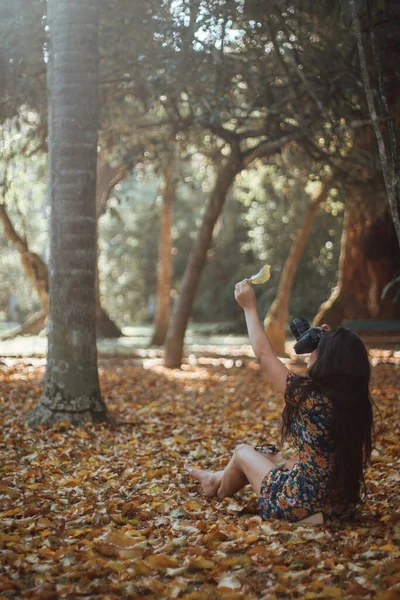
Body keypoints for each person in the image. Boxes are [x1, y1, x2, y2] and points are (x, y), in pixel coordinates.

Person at [184, 279, 375, 524]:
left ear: (328, 361)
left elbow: (264, 354)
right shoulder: (354, 399)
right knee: (271, 455)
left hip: (302, 507)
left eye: (318, 350)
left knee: (243, 452)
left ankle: (216, 488)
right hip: (339, 507)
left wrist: (249, 308)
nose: (311, 353)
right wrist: (331, 342)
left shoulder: (311, 398)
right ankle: (215, 478)